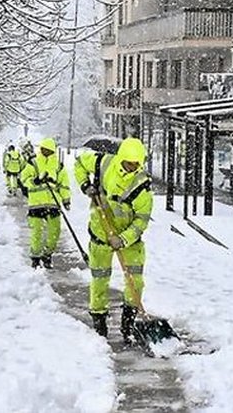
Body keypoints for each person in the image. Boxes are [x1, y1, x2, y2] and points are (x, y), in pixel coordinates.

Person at [74, 137, 152, 341]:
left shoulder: (142, 187)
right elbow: (80, 163)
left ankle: (128, 322)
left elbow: (141, 221)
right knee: (100, 279)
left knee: (135, 281)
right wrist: (85, 185)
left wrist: (124, 239)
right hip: (101, 232)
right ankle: (99, 320)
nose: (131, 167)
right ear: (121, 158)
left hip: (128, 240)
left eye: (136, 164)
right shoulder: (103, 162)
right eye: (128, 162)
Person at [18, 137, 70, 269]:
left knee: (55, 232)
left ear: (53, 151)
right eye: (43, 149)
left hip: (53, 203)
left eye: (48, 150)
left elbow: (64, 184)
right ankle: (35, 257)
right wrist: (35, 181)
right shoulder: (33, 163)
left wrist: (66, 200)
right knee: (37, 232)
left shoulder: (58, 166)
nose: (45, 152)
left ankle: (47, 254)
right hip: (36, 204)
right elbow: (24, 178)